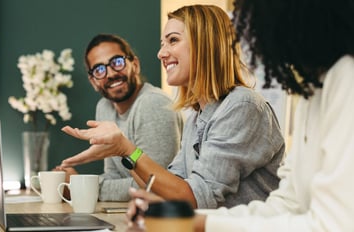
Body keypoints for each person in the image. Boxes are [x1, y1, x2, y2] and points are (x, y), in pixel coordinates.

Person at [128, 1, 354, 231]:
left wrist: (127, 150)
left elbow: (332, 225)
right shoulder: (313, 91)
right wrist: (193, 221)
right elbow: (287, 203)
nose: (252, 33)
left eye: (173, 40)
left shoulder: (345, 79)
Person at [60, 5, 285, 209]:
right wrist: (122, 153)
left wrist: (126, 149)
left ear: (204, 43)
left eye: (173, 40)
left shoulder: (242, 105)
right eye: (162, 44)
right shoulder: (197, 117)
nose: (161, 53)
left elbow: (195, 197)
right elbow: (168, 187)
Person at [56, 34, 183, 201]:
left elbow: (155, 186)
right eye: (99, 69)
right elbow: (113, 175)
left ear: (135, 65)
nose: (110, 74)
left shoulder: (153, 103)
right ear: (93, 81)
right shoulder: (104, 107)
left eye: (116, 62)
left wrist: (81, 187)